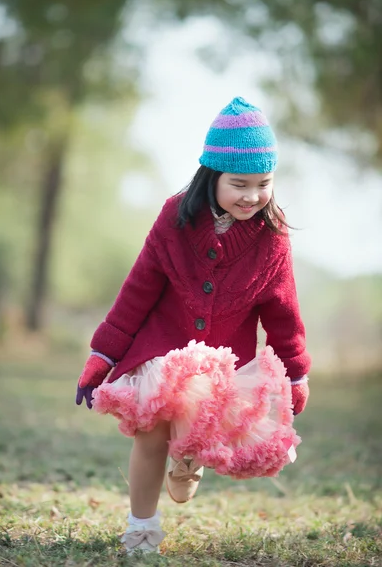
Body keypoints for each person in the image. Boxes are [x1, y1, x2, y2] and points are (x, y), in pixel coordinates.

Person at [76, 96, 311, 555]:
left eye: (263, 184)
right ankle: (141, 530)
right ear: (212, 177)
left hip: (224, 365)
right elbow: (138, 289)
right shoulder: (175, 216)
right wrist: (102, 354)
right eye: (238, 183)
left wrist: (295, 373)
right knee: (151, 435)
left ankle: (189, 459)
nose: (251, 196)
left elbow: (283, 312)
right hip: (162, 350)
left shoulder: (273, 238)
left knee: (193, 435)